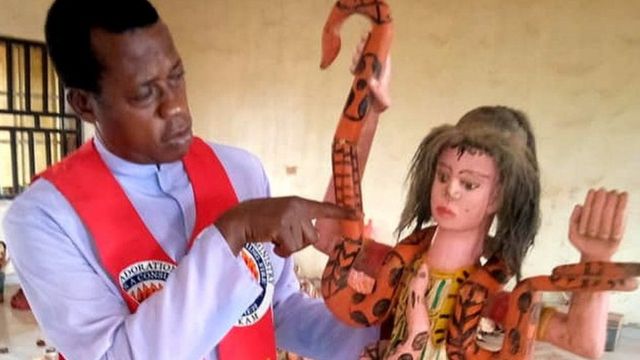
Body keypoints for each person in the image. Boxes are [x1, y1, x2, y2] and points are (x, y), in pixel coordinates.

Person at [1, 0, 387, 359]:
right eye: (145, 94)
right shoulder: (46, 217)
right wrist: (230, 233)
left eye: (177, 77)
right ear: (84, 105)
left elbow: (278, 310)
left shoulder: (240, 172)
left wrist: (386, 327)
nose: (176, 107)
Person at [318, 106, 628, 359]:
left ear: (499, 196)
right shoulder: (398, 263)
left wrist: (594, 261)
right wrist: (369, 109)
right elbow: (327, 236)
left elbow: (583, 342)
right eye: (443, 175)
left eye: (469, 184)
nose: (450, 190)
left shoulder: (489, 298)